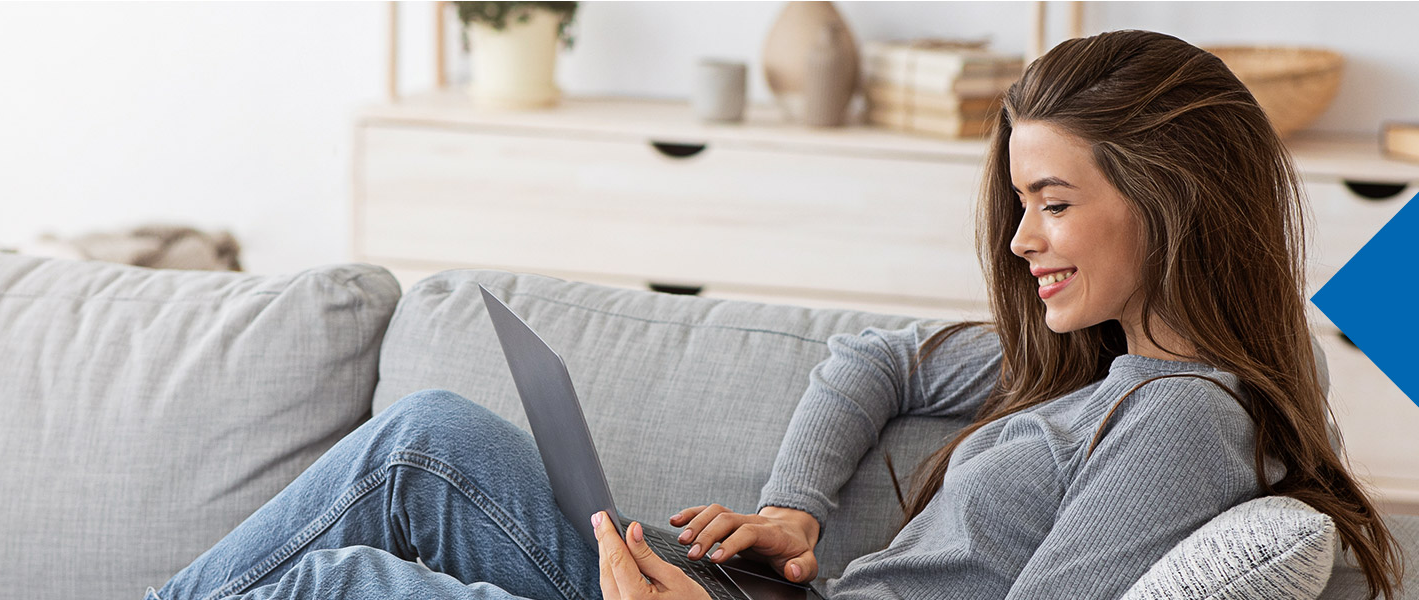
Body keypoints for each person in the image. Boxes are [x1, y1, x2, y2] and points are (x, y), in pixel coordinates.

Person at [148, 29, 1402, 600]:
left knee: (339, 580)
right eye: (1020, 202)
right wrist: (795, 510)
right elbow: (877, 357)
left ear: (1172, 201)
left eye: (1053, 203)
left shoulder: (1184, 424)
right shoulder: (1097, 362)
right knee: (423, 435)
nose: (1021, 243)